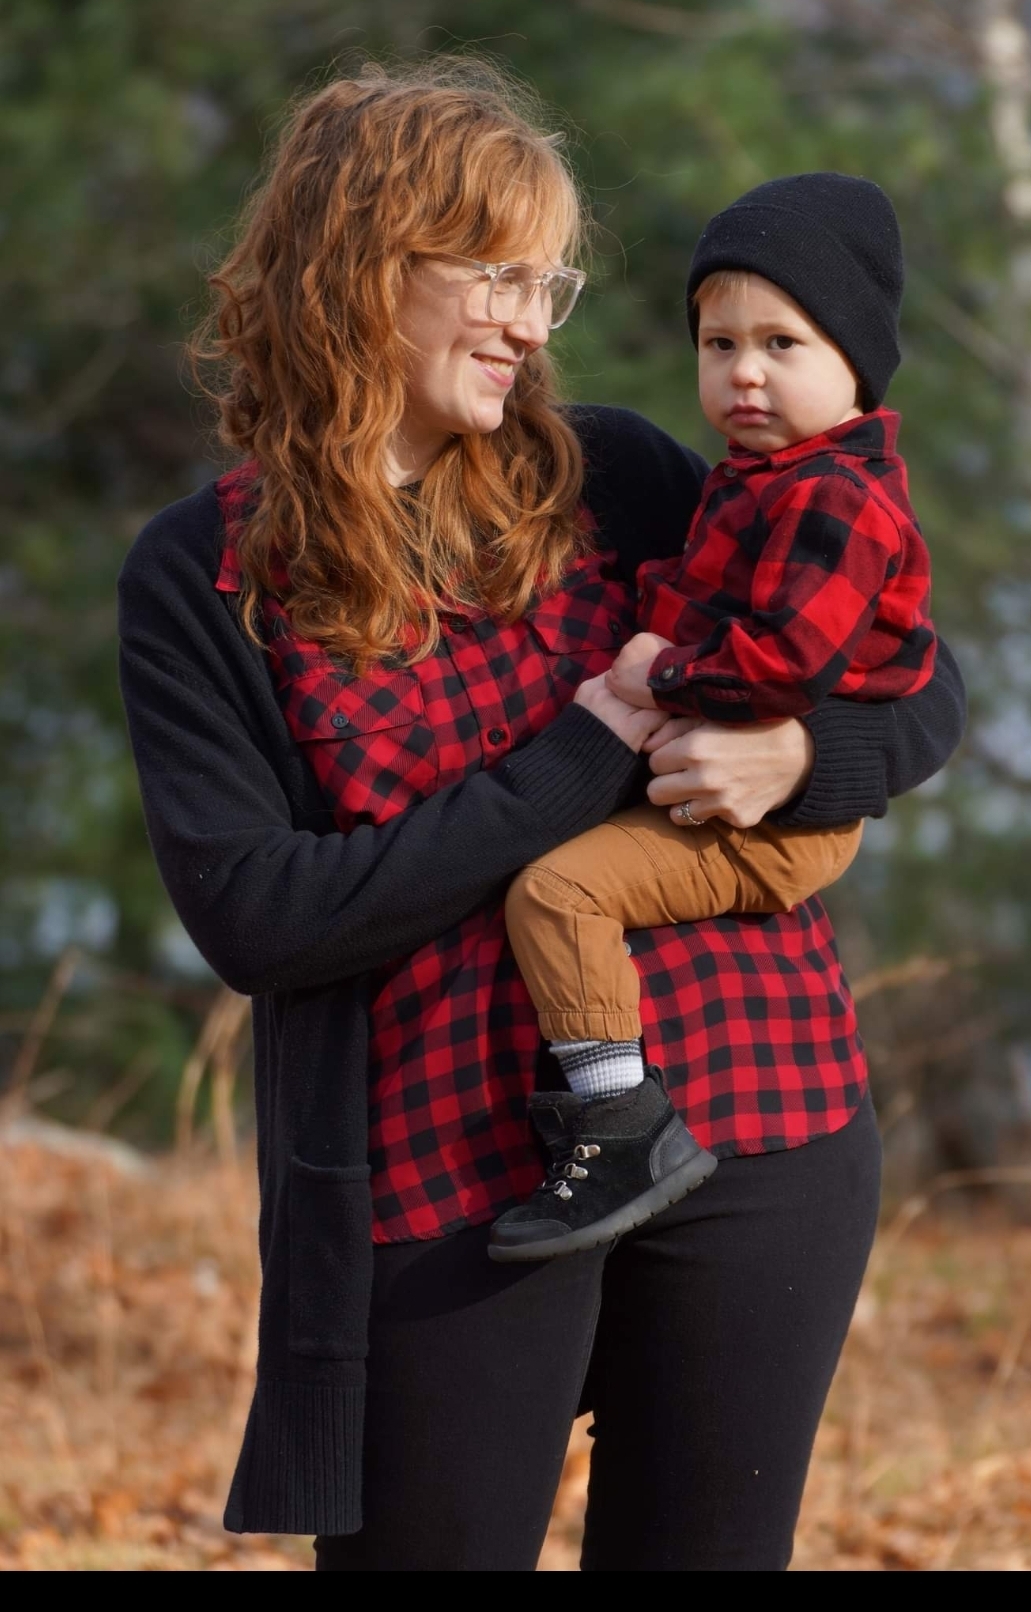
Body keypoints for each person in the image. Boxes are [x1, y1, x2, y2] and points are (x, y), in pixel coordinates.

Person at [117, 59, 966, 1572]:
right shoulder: (206, 578)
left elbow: (918, 682)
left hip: (758, 1118)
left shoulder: (619, 474)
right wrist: (579, 758)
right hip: (443, 1177)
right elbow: (259, 916)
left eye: (546, 284)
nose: (528, 322)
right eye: (494, 276)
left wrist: (798, 760)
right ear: (361, 269)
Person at [493, 173, 934, 1263]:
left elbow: (786, 661)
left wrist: (664, 675)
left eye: (782, 344)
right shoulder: (760, 479)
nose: (743, 372)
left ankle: (621, 1121)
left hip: (781, 823)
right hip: (756, 792)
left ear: (854, 361)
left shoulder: (831, 498)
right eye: (718, 343)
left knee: (558, 893)